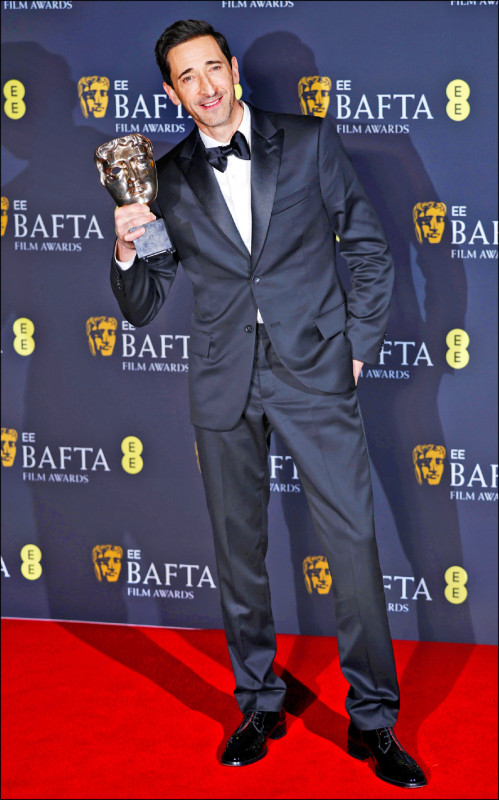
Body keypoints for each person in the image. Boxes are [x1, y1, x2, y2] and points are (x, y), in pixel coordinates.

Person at [109, 19, 427, 788]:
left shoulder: (307, 141)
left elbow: (368, 248)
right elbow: (144, 303)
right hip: (224, 382)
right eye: (187, 77)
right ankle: (258, 702)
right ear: (171, 92)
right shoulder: (165, 177)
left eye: (211, 67)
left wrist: (355, 346)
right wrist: (125, 247)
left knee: (352, 549)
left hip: (315, 371)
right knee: (237, 555)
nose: (205, 86)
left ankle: (373, 719)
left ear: (232, 68)